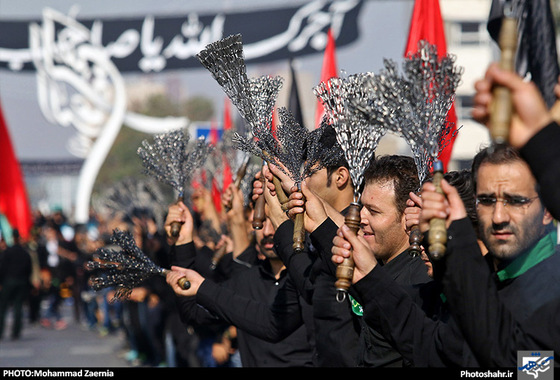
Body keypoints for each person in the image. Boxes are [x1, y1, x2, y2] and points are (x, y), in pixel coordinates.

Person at [419, 62, 560, 366]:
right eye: (486, 200)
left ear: (547, 209)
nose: (498, 216)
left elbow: (522, 369)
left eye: (516, 200)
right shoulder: (484, 274)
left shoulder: (554, 286)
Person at [165, 183, 315, 367]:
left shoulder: (311, 277)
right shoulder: (246, 278)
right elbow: (193, 312)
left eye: (275, 220)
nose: (267, 231)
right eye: (261, 220)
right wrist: (182, 242)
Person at [0, 230, 33, 340]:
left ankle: (1, 331)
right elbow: (29, 270)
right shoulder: (24, 252)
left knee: (3, 308)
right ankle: (16, 332)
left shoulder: (7, 252)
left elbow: (2, 268)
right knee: (18, 307)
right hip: (21, 282)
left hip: (8, 282)